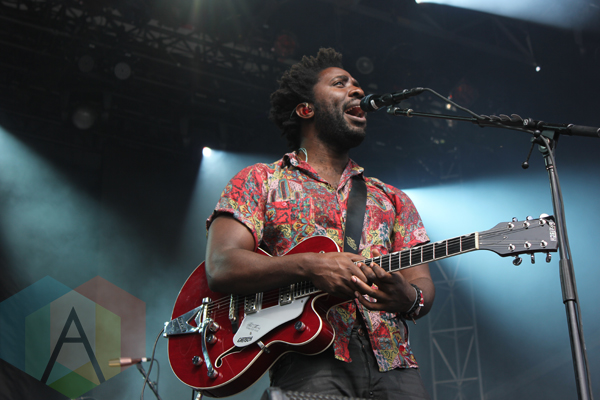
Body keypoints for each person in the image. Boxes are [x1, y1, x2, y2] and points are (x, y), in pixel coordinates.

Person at [205, 48, 435, 400]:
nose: (358, 90)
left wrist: (409, 299)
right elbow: (221, 265)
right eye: (341, 83)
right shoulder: (260, 180)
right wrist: (311, 266)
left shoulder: (392, 198)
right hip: (309, 358)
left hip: (395, 362)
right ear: (305, 109)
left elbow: (421, 283)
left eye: (357, 84)